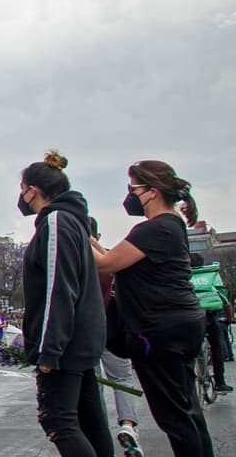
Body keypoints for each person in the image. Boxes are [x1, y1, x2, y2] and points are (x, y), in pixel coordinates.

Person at [93, 159, 213, 457]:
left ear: (152, 192)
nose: (130, 195)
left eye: (133, 188)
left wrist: (69, 230)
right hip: (179, 324)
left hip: (159, 329)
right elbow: (114, 255)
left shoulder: (154, 229)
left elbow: (107, 264)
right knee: (187, 409)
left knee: (175, 417)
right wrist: (89, 238)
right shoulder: (169, 225)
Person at [18, 151, 113, 457]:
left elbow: (60, 289)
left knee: (58, 420)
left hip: (67, 344)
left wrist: (49, 349)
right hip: (81, 339)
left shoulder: (57, 221)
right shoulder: (73, 220)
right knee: (89, 420)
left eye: (22, 188)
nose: (20, 196)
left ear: (33, 190)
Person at [91, 217, 146, 454]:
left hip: (86, 332)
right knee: (121, 378)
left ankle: (99, 430)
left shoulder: (69, 261)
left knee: (93, 386)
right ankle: (127, 425)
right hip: (112, 328)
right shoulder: (110, 259)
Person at [190, 252, 233, 394]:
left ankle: (188, 383)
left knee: (186, 350)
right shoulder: (210, 275)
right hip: (209, 318)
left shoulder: (181, 276)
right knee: (216, 347)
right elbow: (225, 301)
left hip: (188, 318)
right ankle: (220, 382)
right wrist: (229, 318)